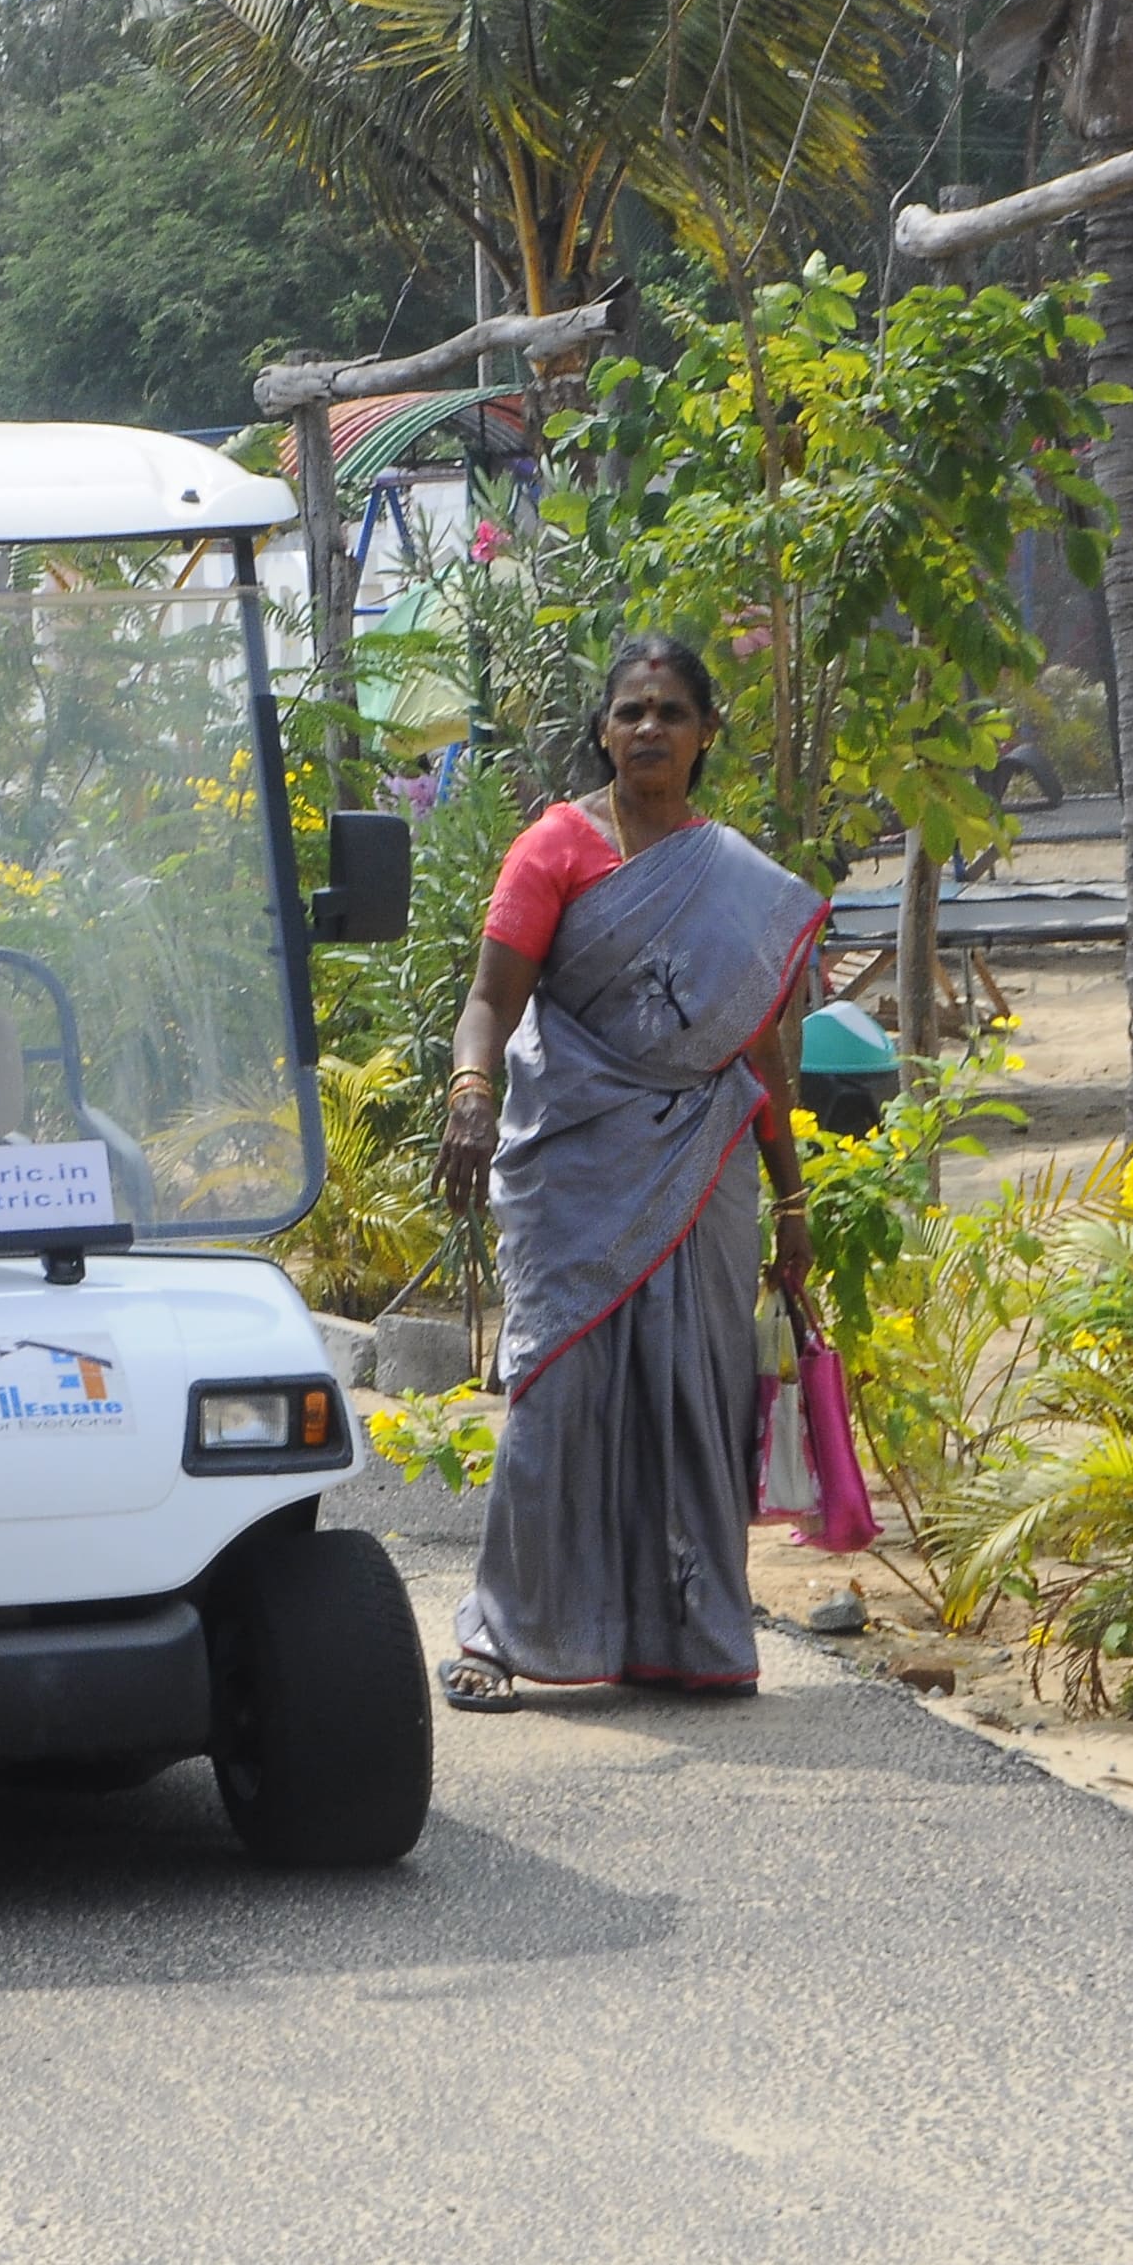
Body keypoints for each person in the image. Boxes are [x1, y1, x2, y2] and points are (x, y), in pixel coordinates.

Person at [431, 644, 823, 1710]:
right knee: (557, 1396)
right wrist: (470, 1094)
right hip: (574, 1159)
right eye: (631, 711)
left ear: (704, 734)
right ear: (602, 732)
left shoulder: (730, 875)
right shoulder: (555, 845)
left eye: (672, 711)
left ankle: (689, 1641)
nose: (650, 727)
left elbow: (759, 1049)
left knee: (693, 1394)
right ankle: (501, 1635)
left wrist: (792, 1199)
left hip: (704, 1167)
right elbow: (489, 999)